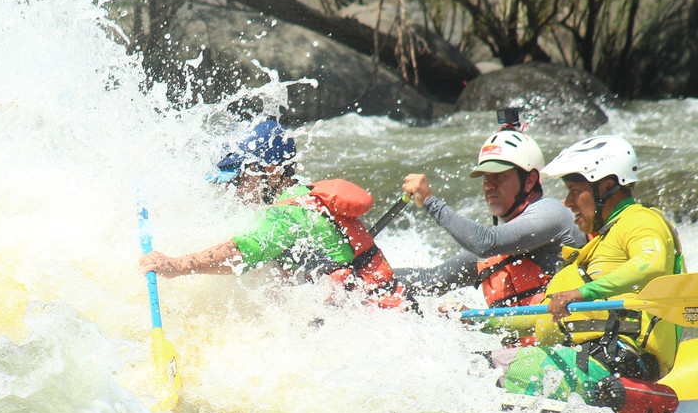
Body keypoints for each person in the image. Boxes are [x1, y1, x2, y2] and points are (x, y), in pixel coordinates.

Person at [139, 119, 408, 308]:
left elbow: (236, 254)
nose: (234, 190)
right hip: (376, 306)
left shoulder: (283, 214)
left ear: (272, 172)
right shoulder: (302, 192)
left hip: (370, 321)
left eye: (238, 179)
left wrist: (175, 265)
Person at [500, 135, 686, 406]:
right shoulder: (593, 249)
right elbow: (538, 315)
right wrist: (472, 320)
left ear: (607, 186)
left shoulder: (639, 220)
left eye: (575, 191)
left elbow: (651, 262)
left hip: (619, 360)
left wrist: (582, 292)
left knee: (480, 369)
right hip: (588, 358)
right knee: (475, 361)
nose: (568, 202)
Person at [395, 113, 587, 316]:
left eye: (500, 176)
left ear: (530, 181)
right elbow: (430, 280)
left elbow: (486, 243)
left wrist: (429, 201)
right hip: (524, 344)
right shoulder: (497, 252)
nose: (490, 186)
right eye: (487, 178)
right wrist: (369, 274)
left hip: (568, 343)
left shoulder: (551, 213)